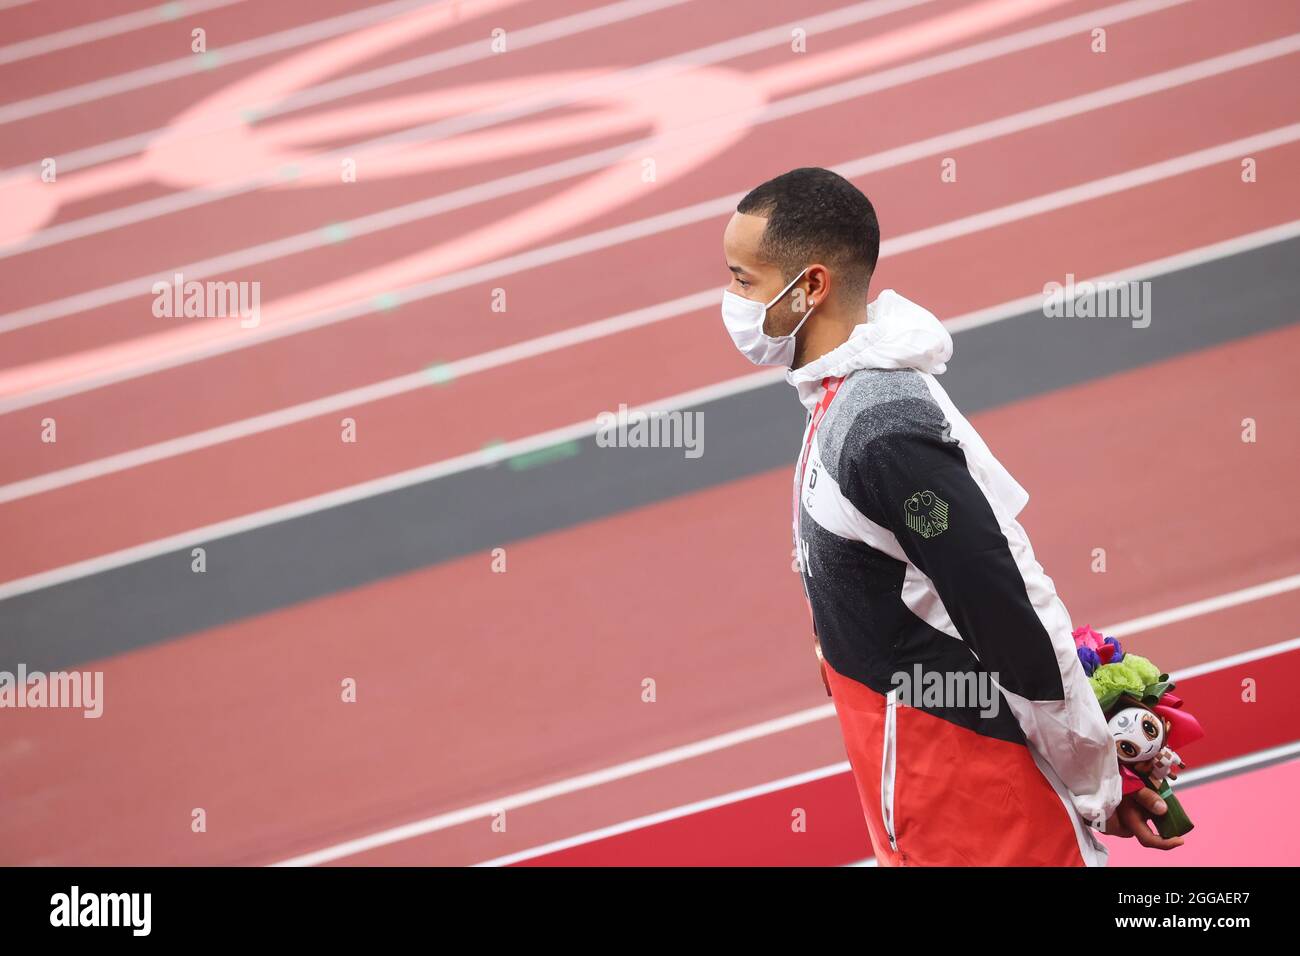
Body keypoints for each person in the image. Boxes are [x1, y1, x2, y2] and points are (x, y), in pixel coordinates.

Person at [720, 166, 1181, 865]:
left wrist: (1096, 780)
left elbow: (1012, 609)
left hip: (987, 817)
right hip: (925, 802)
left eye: (743, 280)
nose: (733, 301)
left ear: (811, 286)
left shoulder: (883, 432)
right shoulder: (842, 398)